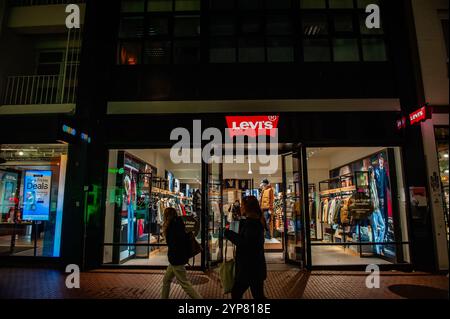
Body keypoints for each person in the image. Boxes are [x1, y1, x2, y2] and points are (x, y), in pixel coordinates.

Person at [225, 196, 267, 300]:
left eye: (242, 206)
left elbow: (245, 244)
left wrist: (229, 234)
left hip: (248, 268)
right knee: (258, 296)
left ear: (247, 208)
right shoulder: (254, 221)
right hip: (255, 267)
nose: (241, 208)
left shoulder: (252, 225)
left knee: (236, 293)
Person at [161, 207, 202, 299]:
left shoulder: (171, 227)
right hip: (176, 259)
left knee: (185, 284)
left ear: (167, 216)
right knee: (166, 280)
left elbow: (173, 245)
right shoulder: (179, 224)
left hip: (176, 259)